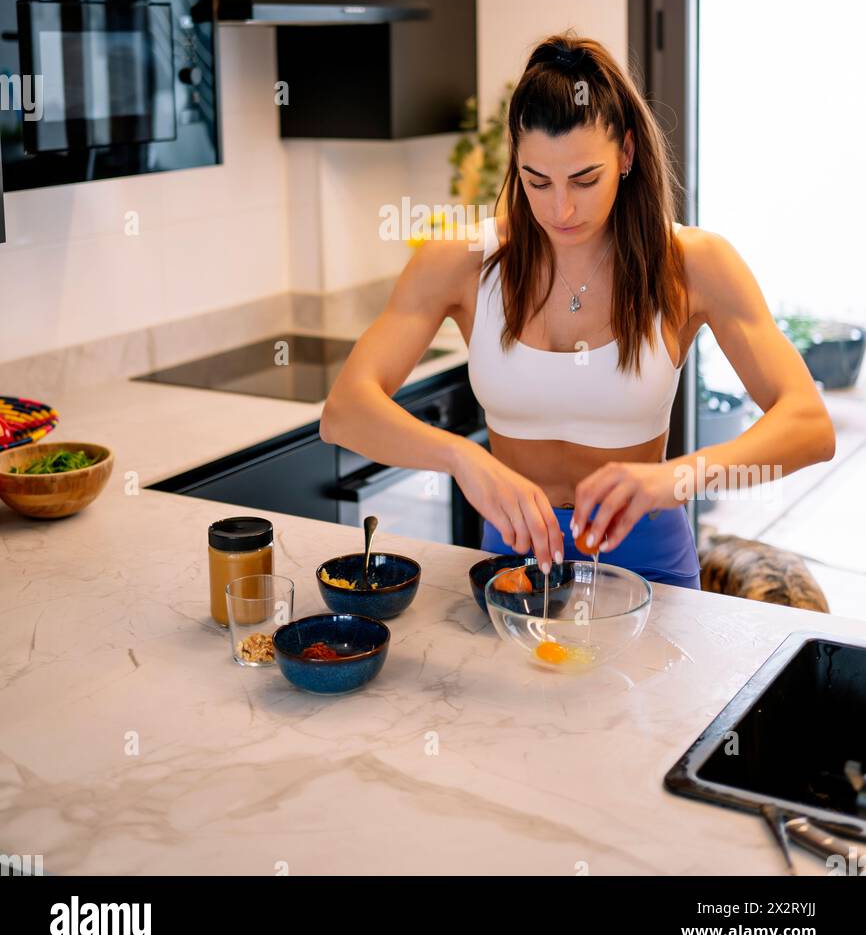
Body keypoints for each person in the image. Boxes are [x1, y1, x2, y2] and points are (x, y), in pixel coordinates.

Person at [320, 35, 835, 587]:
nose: (560, 208)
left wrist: (677, 478)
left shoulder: (694, 264)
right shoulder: (462, 262)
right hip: (513, 566)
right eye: (536, 181)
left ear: (627, 154)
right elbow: (345, 411)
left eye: (585, 180)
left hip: (651, 566)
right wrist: (463, 459)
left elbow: (809, 425)